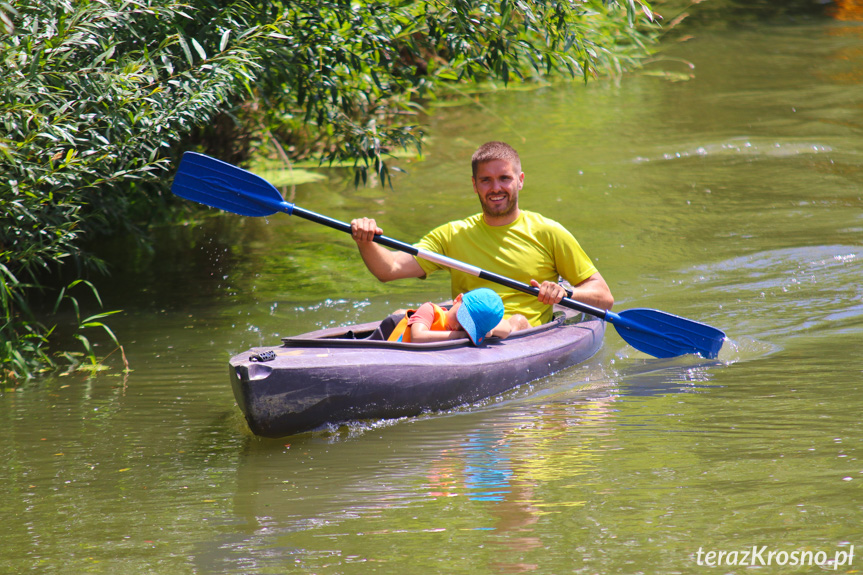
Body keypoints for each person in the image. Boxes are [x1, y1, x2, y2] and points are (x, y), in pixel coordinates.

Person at [351, 141, 614, 329]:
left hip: (519, 333)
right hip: (464, 326)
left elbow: (603, 296)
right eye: (486, 180)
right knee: (401, 317)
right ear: (474, 185)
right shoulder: (452, 234)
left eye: (504, 178)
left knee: (514, 324)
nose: (496, 188)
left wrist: (564, 294)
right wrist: (366, 241)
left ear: (520, 180)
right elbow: (390, 269)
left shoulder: (549, 232)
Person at [388, 287, 511, 344]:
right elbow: (417, 337)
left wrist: (486, 330)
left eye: (466, 326)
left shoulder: (477, 327)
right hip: (393, 356)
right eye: (460, 318)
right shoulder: (429, 310)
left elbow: (506, 330)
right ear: (457, 299)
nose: (458, 326)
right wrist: (461, 334)